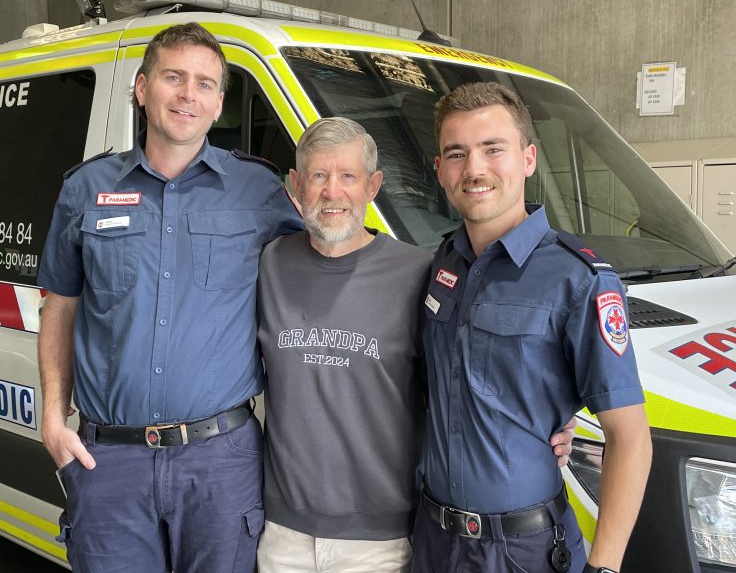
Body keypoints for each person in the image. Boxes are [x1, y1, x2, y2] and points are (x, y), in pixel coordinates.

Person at [36, 23, 303, 572]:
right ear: (141, 87)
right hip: (107, 460)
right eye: (173, 77)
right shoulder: (86, 189)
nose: (188, 94)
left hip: (220, 460)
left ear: (220, 102)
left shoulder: (260, 193)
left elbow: (328, 255)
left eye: (205, 84)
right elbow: (59, 306)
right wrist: (52, 416)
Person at [255, 117, 576, 573]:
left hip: (382, 541)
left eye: (348, 177)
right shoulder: (268, 263)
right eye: (318, 176)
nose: (332, 192)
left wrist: (553, 421)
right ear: (295, 185)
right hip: (283, 536)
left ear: (372, 186)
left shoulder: (421, 274)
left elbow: (474, 372)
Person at [411, 82, 653, 573]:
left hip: (523, 551)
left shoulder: (578, 278)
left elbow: (630, 439)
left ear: (528, 158)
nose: (474, 169)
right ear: (440, 171)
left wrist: (603, 568)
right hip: (433, 542)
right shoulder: (441, 263)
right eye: (456, 154)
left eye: (492, 149)